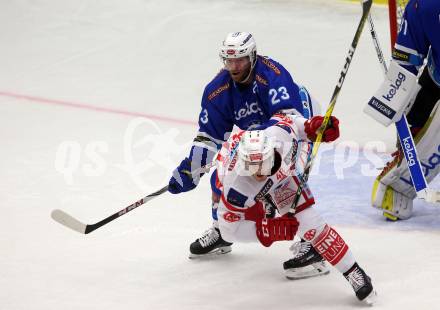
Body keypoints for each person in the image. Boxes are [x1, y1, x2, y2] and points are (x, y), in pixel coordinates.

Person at [167, 32, 321, 258]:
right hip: (259, 134)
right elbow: (209, 137)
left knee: (287, 177)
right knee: (221, 175)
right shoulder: (218, 91)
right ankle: (222, 232)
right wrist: (193, 167)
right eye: (229, 61)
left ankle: (313, 243)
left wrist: (260, 144)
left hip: (297, 121)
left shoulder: (272, 74)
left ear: (253, 56)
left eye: (240, 60)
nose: (234, 66)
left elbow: (286, 121)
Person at [214, 113, 376, 305]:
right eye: (250, 165)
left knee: (311, 226)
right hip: (250, 196)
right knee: (257, 215)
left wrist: (313, 128)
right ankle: (266, 205)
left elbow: (296, 124)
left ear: (270, 151)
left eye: (260, 164)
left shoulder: (279, 135)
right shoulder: (237, 185)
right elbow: (228, 230)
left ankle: (353, 271)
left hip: (283, 180)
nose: (256, 172)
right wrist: (266, 231)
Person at [369, 0, 440, 220]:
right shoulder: (424, 6)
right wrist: (391, 102)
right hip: (436, 79)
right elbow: (405, 65)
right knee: (390, 194)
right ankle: (402, 183)